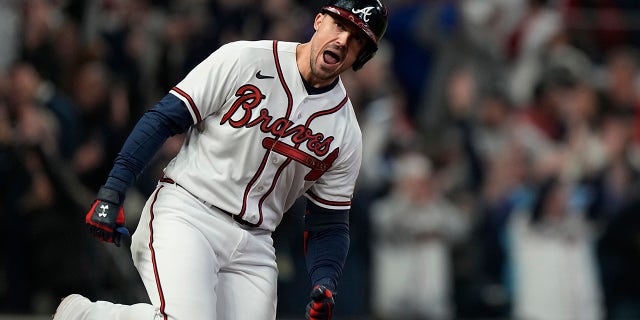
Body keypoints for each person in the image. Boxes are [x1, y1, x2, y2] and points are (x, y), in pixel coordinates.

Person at [52, 0, 388, 319]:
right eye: (340, 24)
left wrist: (325, 280)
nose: (343, 39)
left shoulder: (345, 132)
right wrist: (113, 190)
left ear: (362, 56)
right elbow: (165, 118)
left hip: (256, 243)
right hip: (188, 211)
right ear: (318, 21)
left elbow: (328, 222)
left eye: (357, 39)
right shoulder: (245, 58)